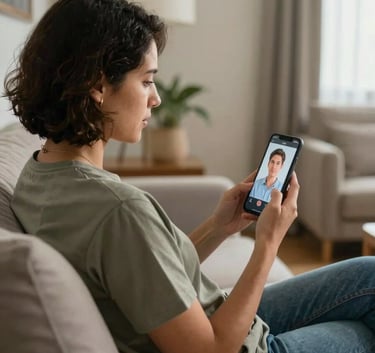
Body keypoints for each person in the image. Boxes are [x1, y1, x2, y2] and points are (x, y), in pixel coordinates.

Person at [4, 1, 375, 353]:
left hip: (212, 316)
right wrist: (268, 244)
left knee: (368, 274)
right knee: (362, 330)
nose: (156, 99)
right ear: (98, 86)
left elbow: (144, 273)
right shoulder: (119, 210)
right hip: (235, 340)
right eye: (147, 81)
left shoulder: (39, 174)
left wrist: (219, 227)